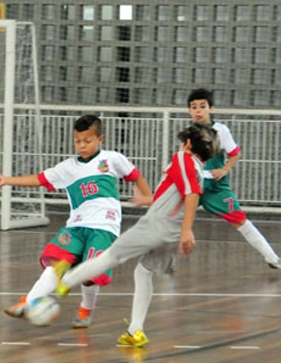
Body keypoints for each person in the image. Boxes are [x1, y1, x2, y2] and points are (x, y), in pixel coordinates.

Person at [55, 122, 220, 347]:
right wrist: (147, 200)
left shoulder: (183, 159)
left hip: (158, 225)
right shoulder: (200, 169)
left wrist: (187, 230)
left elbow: (192, 194)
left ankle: (66, 281)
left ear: (188, 143)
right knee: (143, 272)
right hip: (170, 233)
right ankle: (136, 331)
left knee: (112, 256)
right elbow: (176, 195)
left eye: (183, 142)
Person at [0, 114, 152, 328]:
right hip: (76, 226)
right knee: (57, 261)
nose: (82, 146)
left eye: (87, 141)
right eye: (78, 141)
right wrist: (7, 180)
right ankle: (27, 302)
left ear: (100, 139)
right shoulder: (68, 168)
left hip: (104, 228)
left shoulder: (112, 159)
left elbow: (136, 176)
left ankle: (86, 309)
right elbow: (39, 179)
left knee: (90, 274)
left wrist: (149, 200)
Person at [187, 88, 281, 275]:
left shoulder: (221, 130)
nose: (198, 111)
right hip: (193, 185)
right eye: (193, 107)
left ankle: (272, 258)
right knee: (169, 219)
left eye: (202, 106)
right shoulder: (189, 133)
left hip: (215, 187)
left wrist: (224, 169)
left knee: (241, 222)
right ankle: (163, 260)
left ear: (211, 108)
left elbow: (235, 154)